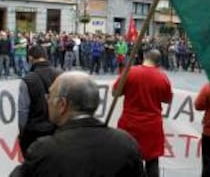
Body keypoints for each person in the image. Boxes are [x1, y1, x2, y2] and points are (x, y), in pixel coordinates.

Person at [11, 72, 145, 177]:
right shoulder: (126, 143)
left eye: (50, 96)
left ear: (62, 105)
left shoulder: (44, 150)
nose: (47, 101)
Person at [113, 49, 173, 177]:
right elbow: (167, 99)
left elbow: (115, 93)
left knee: (127, 160)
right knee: (152, 161)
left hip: (129, 124)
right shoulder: (162, 77)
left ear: (144, 57)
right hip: (152, 126)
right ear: (158, 63)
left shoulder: (130, 72)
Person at [18, 45, 62, 157]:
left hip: (34, 133)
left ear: (31, 58)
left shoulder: (27, 80)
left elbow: (23, 111)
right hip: (58, 132)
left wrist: (22, 134)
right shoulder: (61, 75)